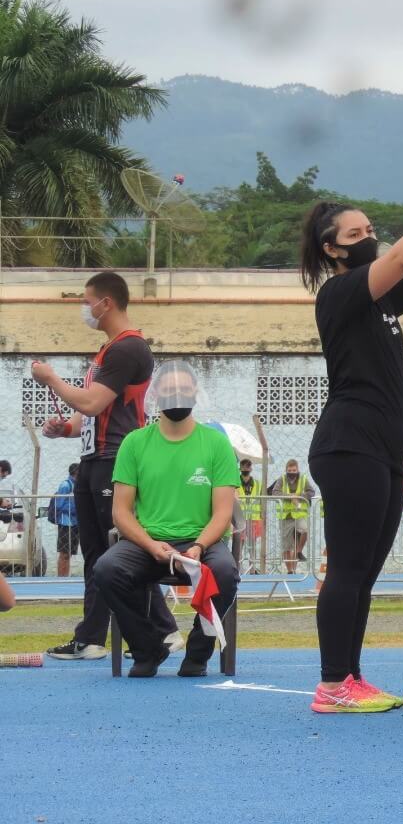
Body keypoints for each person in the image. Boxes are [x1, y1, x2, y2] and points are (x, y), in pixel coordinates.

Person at [300, 172, 403, 713]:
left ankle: (350, 675)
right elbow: (396, 262)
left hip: (382, 449)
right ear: (332, 250)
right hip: (349, 443)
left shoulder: (386, 300)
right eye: (356, 234)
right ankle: (331, 684)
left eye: (371, 228)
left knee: (366, 570)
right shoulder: (340, 292)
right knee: (348, 566)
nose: (368, 237)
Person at [32, 271, 179, 661]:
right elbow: (87, 416)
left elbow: (93, 403)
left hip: (115, 459)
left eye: (87, 301)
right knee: (98, 555)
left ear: (106, 303)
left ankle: (162, 630)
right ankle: (93, 637)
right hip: (93, 459)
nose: (85, 308)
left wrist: (51, 379)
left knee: (120, 551)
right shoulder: (107, 351)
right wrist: (63, 429)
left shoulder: (128, 349)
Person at [95, 361, 240, 677]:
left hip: (202, 542)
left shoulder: (216, 444)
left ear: (195, 393)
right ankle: (148, 648)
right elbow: (121, 512)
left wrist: (199, 546)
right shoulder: (135, 443)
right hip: (150, 543)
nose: (177, 395)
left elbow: (223, 513)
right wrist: (150, 544)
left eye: (184, 388)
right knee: (107, 569)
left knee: (226, 572)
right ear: (156, 394)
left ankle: (197, 655)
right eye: (169, 389)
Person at [268, 460, 313, 573]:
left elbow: (311, 492)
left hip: (299, 514)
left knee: (305, 530)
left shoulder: (303, 479)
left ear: (297, 469)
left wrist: (299, 496)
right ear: (286, 470)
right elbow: (275, 492)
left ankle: (299, 551)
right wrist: (289, 496)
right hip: (286, 516)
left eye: (294, 470)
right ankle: (290, 571)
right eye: (289, 470)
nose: (292, 472)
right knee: (287, 545)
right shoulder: (282, 479)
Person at [50, 463, 80, 578]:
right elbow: (59, 504)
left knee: (69, 554)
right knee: (64, 553)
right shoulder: (65, 485)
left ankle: (65, 577)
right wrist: (76, 509)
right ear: (76, 473)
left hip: (75, 523)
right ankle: (61, 578)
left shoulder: (76, 485)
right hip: (66, 523)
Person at [233, 459, 263, 572]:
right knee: (239, 545)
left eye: (248, 467)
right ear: (240, 468)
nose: (246, 469)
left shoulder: (257, 483)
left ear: (251, 468)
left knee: (253, 546)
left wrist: (261, 516)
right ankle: (238, 568)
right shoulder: (236, 483)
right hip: (239, 517)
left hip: (253, 518)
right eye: (243, 467)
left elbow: (261, 501)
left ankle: (253, 569)